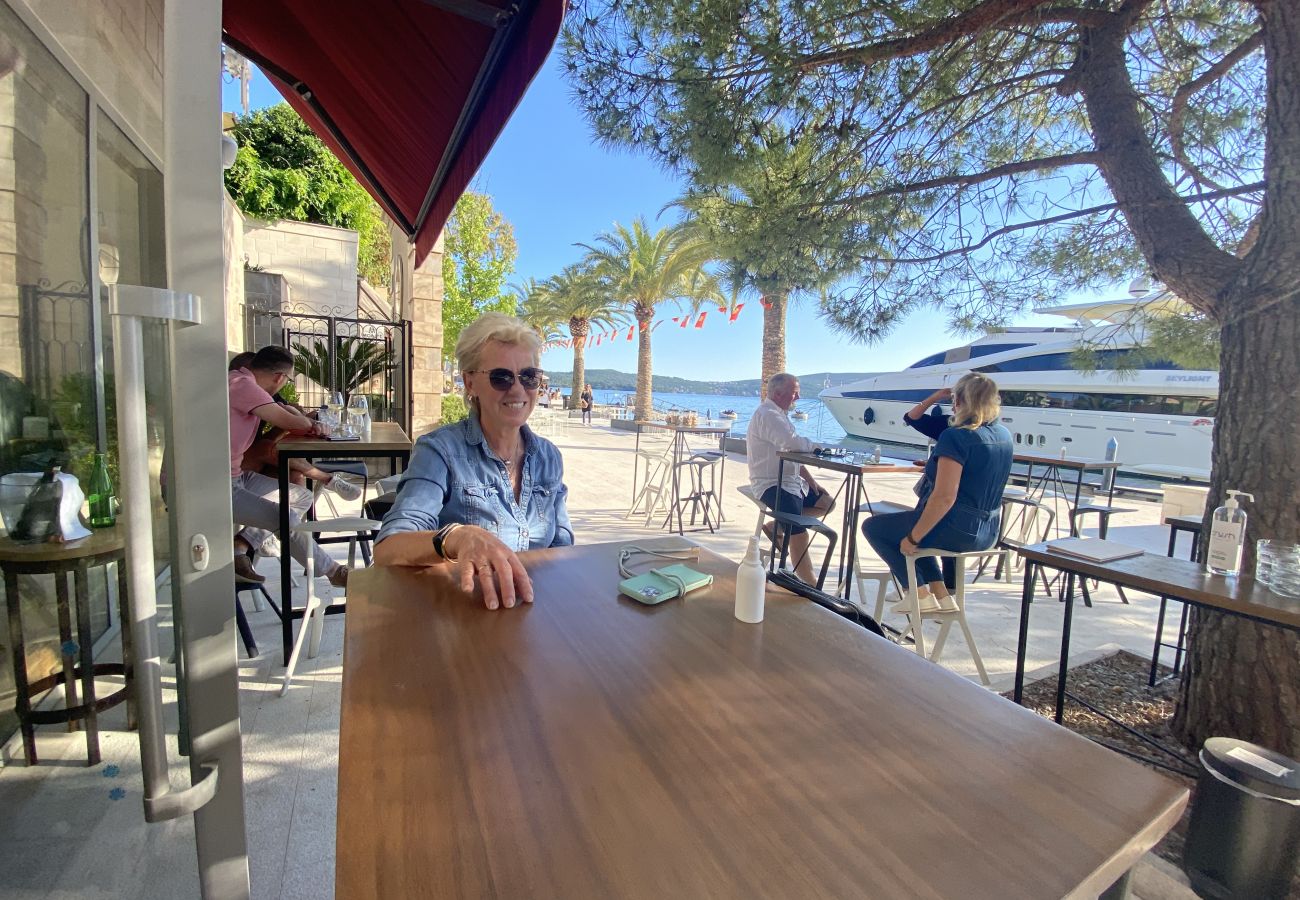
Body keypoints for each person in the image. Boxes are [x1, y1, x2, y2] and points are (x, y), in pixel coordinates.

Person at [374, 312, 574, 610]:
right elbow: (388, 549)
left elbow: (561, 548)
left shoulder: (548, 457)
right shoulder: (440, 451)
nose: (518, 389)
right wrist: (457, 537)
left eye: (529, 376)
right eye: (501, 377)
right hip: (463, 617)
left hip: (532, 612)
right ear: (470, 383)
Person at [862, 372, 1012, 614]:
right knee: (918, 529)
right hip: (989, 531)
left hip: (957, 528)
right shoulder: (1004, 435)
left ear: (959, 401)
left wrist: (911, 540)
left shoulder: (957, 436)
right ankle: (941, 595)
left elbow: (944, 498)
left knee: (875, 528)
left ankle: (918, 593)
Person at [229, 346, 349, 588]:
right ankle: (334, 572)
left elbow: (289, 417)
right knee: (285, 517)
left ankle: (240, 546)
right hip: (209, 486)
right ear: (279, 377)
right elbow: (289, 421)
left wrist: (304, 422)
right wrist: (311, 424)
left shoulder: (243, 383)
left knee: (301, 496)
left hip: (236, 476)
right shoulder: (241, 384)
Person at [746, 373, 834, 584]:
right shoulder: (768, 414)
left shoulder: (779, 414)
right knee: (799, 530)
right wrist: (816, 447)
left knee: (826, 502)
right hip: (771, 483)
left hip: (791, 482)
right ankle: (810, 584)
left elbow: (789, 451)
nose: (798, 397)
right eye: (794, 393)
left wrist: (809, 478)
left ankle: (777, 525)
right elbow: (792, 443)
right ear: (778, 393)